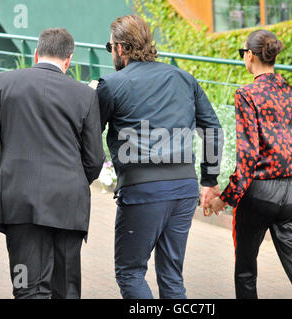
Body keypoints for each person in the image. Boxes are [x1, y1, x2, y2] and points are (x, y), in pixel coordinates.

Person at [94, 15, 223, 299]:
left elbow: (91, 135)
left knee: (130, 273)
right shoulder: (184, 78)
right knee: (172, 277)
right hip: (184, 188)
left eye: (110, 46)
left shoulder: (111, 85)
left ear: (119, 48)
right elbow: (213, 129)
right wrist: (209, 180)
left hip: (142, 190)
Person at [0, 28, 105, 299]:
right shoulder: (85, 95)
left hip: (19, 204)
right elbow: (94, 158)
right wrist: (73, 182)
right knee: (66, 290)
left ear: (35, 54)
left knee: (27, 288)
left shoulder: (3, 83)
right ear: (69, 60)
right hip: (68, 206)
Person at [209, 30, 292, 299]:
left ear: (250, 55)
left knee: (246, 272)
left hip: (259, 193)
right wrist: (287, 162)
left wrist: (224, 199)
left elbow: (247, 160)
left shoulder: (246, 95)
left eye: (243, 53)